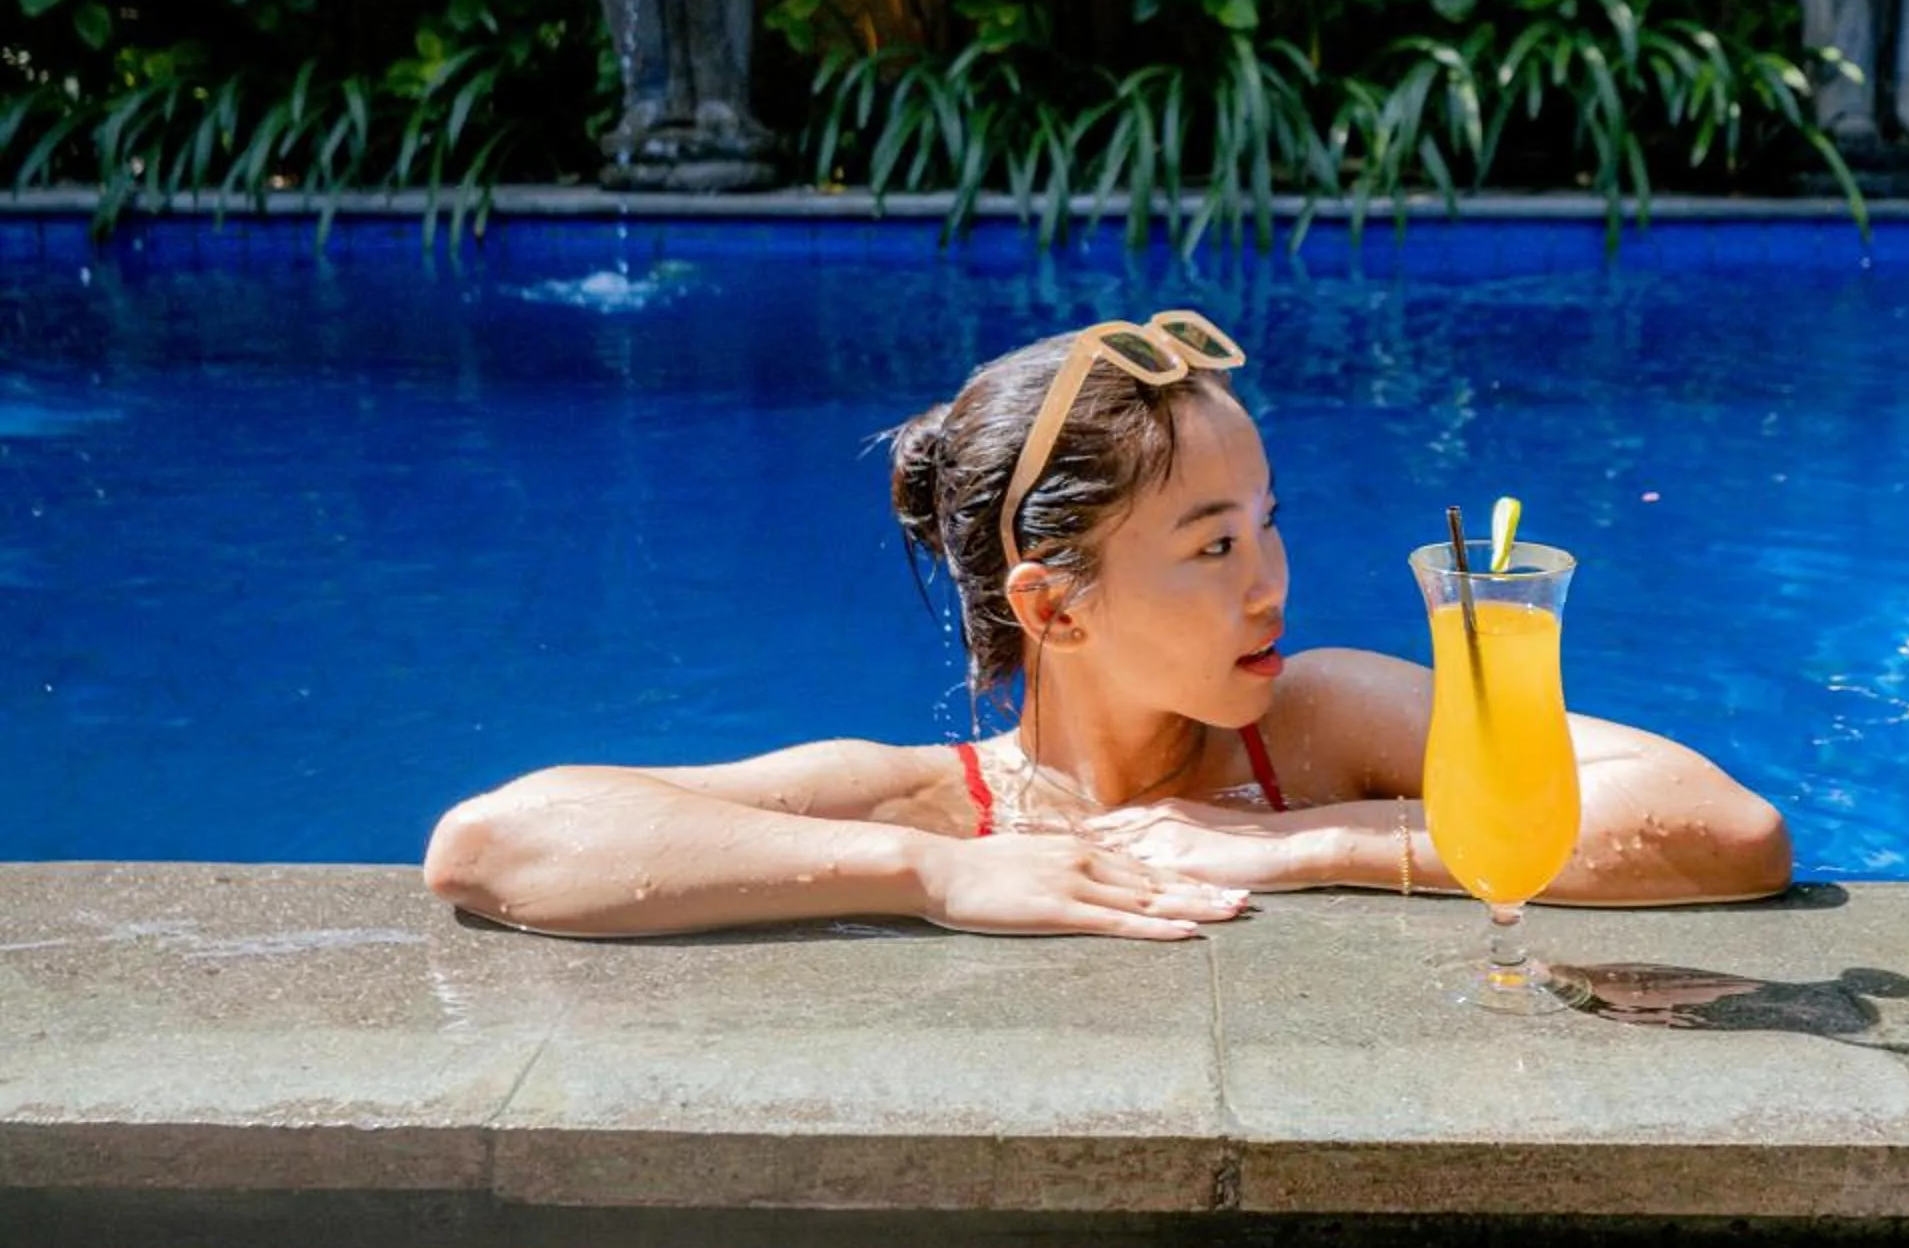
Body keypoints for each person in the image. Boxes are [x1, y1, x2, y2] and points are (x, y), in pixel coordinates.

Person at [424, 311, 1792, 941]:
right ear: (1053, 602)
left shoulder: (1315, 726)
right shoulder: (939, 809)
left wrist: (1306, 843)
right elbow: (494, 843)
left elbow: (1725, 831)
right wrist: (936, 882)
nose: (1271, 583)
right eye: (1211, 546)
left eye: (1268, 524)